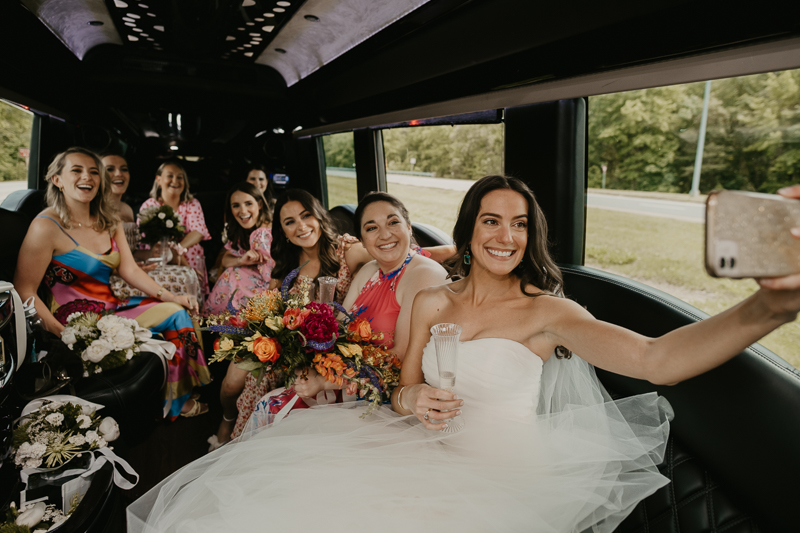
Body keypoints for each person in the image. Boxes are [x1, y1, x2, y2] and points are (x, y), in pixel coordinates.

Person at [128, 175, 800, 532]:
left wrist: (772, 306)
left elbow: (656, 359)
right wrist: (411, 396)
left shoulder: (549, 312)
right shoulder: (433, 302)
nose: (506, 235)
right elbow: (402, 390)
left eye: (520, 223)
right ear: (468, 229)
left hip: (507, 488)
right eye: (491, 219)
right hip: (416, 456)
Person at [14, 147, 212, 419]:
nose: (88, 177)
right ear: (57, 179)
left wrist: (171, 296)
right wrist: (61, 334)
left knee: (178, 313)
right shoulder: (46, 226)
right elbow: (25, 291)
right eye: (77, 170)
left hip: (113, 309)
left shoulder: (109, 220)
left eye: (94, 171)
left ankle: (177, 399)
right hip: (74, 321)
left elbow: (129, 269)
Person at [209, 189, 373, 448]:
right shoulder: (285, 263)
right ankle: (229, 418)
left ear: (319, 216)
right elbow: (272, 307)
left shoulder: (345, 251)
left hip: (322, 352)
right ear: (283, 232)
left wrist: (452, 255)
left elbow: (393, 251)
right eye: (290, 222)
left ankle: (245, 439)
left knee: (256, 383)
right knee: (231, 384)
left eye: (306, 216)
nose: (301, 226)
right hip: (282, 344)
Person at [140, 161, 212, 294]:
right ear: (158, 179)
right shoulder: (149, 205)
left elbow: (198, 232)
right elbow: (145, 237)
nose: (175, 181)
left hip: (187, 257)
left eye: (180, 177)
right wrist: (169, 252)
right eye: (170, 176)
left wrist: (178, 250)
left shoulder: (192, 204)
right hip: (159, 256)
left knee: (193, 248)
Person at [205, 182, 275, 314]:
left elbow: (271, 277)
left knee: (234, 274)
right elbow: (225, 259)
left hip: (272, 290)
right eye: (236, 206)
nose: (243, 211)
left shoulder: (263, 234)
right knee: (233, 271)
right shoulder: (242, 232)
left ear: (259, 205)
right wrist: (242, 260)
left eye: (248, 203)